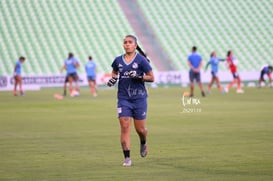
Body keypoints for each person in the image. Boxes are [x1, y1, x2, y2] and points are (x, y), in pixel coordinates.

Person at [107, 35, 154, 167]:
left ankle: (143, 141)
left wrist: (139, 76)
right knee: (125, 125)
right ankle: (127, 158)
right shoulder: (118, 60)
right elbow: (115, 72)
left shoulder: (141, 60)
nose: (127, 44)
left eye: (130, 42)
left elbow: (152, 78)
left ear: (135, 45)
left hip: (139, 98)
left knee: (141, 129)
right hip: (123, 98)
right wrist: (113, 79)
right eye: (125, 42)